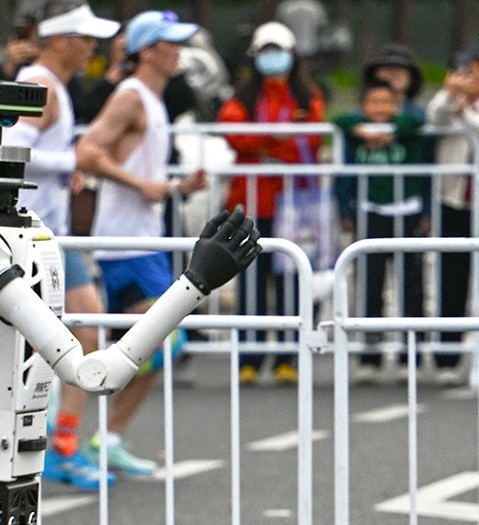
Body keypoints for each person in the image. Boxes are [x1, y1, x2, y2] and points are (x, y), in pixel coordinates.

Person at [0, 0, 122, 490]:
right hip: (28, 234)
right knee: (61, 335)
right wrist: (72, 163)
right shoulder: (40, 84)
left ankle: (61, 443)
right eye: (85, 39)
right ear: (61, 40)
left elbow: (33, 154)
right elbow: (11, 152)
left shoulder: (50, 85)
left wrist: (66, 167)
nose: (91, 48)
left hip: (47, 233)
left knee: (77, 331)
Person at [76, 9, 208, 478]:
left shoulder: (153, 100)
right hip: (124, 244)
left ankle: (99, 436)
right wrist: (139, 185)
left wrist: (175, 188)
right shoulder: (130, 95)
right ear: (148, 50)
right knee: (162, 340)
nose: (179, 52)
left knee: (153, 343)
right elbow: (87, 151)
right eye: (171, 43)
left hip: (142, 241)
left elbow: (138, 172)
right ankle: (85, 433)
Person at [217, 20, 325, 385]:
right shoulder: (244, 97)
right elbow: (233, 132)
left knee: (292, 282)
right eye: (266, 51)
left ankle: (288, 358)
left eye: (278, 51)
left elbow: (311, 138)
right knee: (252, 284)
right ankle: (249, 358)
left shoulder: (307, 96)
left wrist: (264, 139)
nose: (273, 58)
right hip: (251, 204)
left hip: (293, 206)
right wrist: (277, 136)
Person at [424, 46, 479, 385]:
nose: (470, 76)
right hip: (453, 201)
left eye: (478, 70)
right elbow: (436, 118)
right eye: (464, 70)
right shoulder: (445, 102)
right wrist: (451, 94)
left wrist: (466, 115)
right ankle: (447, 357)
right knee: (451, 281)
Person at [334, 80, 425, 379]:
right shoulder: (357, 132)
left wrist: (392, 133)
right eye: (373, 102)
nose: (380, 108)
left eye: (387, 102)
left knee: (410, 286)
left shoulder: (407, 126)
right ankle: (370, 357)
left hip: (407, 213)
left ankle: (410, 356)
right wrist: (360, 130)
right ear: (363, 106)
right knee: (370, 286)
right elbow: (339, 120)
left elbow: (417, 120)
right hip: (370, 213)